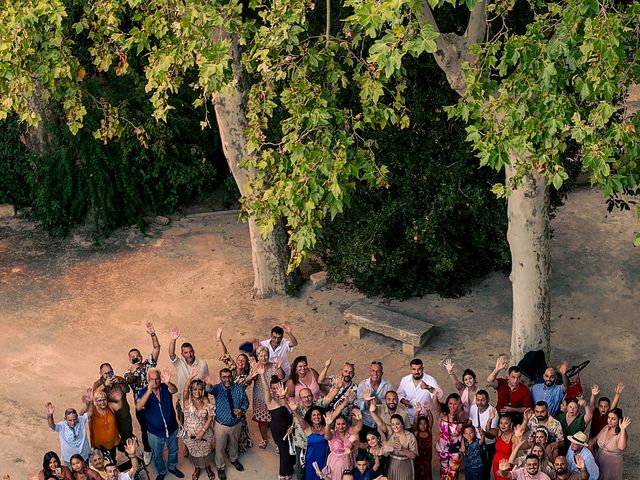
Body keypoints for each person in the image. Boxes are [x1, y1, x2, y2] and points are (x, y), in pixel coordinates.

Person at [135, 367, 183, 480]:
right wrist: (149, 391)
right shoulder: (143, 392)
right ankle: (161, 471)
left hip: (172, 429)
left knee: (174, 451)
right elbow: (139, 406)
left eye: (157, 379)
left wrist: (168, 382)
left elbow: (174, 390)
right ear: (148, 379)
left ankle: (172, 467)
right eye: (152, 379)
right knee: (157, 455)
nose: (155, 382)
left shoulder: (166, 388)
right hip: (155, 433)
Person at [124, 322, 160, 463]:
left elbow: (157, 348)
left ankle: (158, 448)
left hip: (154, 403)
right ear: (129, 359)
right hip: (142, 406)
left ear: (141, 356)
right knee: (145, 429)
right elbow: (128, 381)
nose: (136, 358)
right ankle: (147, 450)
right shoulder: (128, 372)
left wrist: (153, 334)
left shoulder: (148, 364)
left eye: (137, 356)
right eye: (133, 357)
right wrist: (134, 369)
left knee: (156, 426)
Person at [205, 368, 250, 480]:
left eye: (229, 376)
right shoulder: (217, 388)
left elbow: (246, 402)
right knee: (220, 447)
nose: (227, 379)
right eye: (224, 377)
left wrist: (242, 410)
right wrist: (209, 385)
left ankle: (233, 459)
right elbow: (209, 390)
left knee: (234, 444)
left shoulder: (239, 388)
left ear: (232, 377)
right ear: (221, 378)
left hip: (236, 424)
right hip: (221, 425)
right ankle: (220, 467)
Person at [216, 326, 254, 453]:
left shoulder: (245, 377)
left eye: (243, 361)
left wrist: (252, 354)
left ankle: (238, 447)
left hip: (238, 404)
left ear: (247, 364)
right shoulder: (231, 369)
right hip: (224, 403)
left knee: (237, 427)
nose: (240, 362)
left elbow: (252, 375)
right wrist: (219, 339)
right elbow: (225, 354)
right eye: (239, 360)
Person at [257, 365, 297, 480]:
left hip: (290, 428)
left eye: (277, 387)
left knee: (291, 450)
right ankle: (283, 475)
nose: (275, 390)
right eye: (273, 388)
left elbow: (293, 413)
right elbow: (265, 389)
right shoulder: (270, 401)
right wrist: (262, 375)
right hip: (278, 431)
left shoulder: (287, 398)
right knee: (284, 452)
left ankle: (289, 470)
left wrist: (284, 398)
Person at [168, 327, 210, 429]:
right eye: (186, 352)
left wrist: (206, 401)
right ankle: (188, 445)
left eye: (190, 352)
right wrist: (173, 340)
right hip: (183, 402)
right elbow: (171, 354)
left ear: (193, 351)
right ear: (182, 354)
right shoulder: (179, 363)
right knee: (185, 428)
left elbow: (207, 383)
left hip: (199, 402)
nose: (189, 354)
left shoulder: (202, 364)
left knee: (201, 427)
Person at [182, 367, 216, 480]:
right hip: (190, 436)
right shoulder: (187, 401)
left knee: (205, 452)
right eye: (195, 389)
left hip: (205, 434)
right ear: (192, 390)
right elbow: (185, 390)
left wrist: (203, 431)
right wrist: (190, 377)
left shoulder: (206, 400)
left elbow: (210, 417)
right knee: (194, 453)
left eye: (200, 389)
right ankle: (197, 469)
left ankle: (207, 468)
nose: (198, 392)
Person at [46, 390, 93, 465]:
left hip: (84, 456)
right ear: (65, 419)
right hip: (69, 459)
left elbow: (90, 413)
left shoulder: (81, 420)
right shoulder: (62, 426)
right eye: (70, 420)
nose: (73, 422)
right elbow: (52, 425)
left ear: (78, 416)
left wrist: (91, 402)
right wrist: (50, 415)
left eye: (75, 419)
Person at [252, 345, 286, 448]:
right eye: (261, 356)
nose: (264, 358)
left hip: (274, 398)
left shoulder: (273, 366)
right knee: (262, 421)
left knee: (276, 420)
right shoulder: (255, 367)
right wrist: (252, 373)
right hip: (260, 398)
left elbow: (281, 377)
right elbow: (249, 380)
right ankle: (264, 439)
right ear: (258, 357)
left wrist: (279, 366)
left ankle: (278, 442)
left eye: (265, 355)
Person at [92, 363, 133, 448]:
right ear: (100, 373)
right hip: (109, 419)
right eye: (105, 373)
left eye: (110, 372)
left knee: (127, 436)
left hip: (123, 415)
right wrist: (104, 385)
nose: (108, 375)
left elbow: (127, 390)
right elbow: (94, 396)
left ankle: (129, 453)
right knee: (112, 441)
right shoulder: (98, 384)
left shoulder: (118, 379)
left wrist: (120, 382)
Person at [432, 392, 469, 480]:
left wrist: (463, 445)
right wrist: (434, 396)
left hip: (456, 448)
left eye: (455, 404)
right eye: (450, 403)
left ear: (459, 404)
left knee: (453, 471)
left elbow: (464, 432)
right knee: (444, 470)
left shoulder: (462, 416)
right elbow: (436, 405)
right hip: (442, 447)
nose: (452, 406)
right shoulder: (443, 414)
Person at [487, 356, 532, 424]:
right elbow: (490, 380)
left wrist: (512, 409)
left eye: (518, 378)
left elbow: (527, 408)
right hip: (498, 416)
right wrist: (497, 369)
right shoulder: (502, 383)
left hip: (515, 419)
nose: (516, 380)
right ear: (508, 376)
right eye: (513, 377)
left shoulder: (525, 390)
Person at [397, 358, 443, 424]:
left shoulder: (430, 380)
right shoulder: (404, 380)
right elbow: (399, 395)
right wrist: (403, 401)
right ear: (410, 368)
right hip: (409, 416)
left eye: (419, 369)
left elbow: (440, 395)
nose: (416, 372)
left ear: (423, 368)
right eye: (414, 369)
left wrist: (428, 387)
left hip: (425, 418)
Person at [589, 408, 629, 480]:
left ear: (619, 420)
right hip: (597, 460)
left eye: (613, 419)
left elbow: (622, 447)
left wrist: (623, 429)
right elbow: (595, 440)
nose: (609, 421)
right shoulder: (606, 427)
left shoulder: (622, 433)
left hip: (611, 466)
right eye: (608, 417)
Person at [355, 360, 392, 439]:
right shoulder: (363, 384)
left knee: (380, 447)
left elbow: (391, 403)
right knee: (364, 446)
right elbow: (359, 403)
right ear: (370, 372)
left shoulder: (387, 385)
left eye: (378, 371)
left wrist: (379, 401)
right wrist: (366, 401)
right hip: (365, 422)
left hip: (381, 423)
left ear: (382, 373)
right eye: (373, 371)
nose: (375, 374)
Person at [468, 389, 499, 480]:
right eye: (478, 400)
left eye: (483, 400)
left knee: (485, 471)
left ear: (488, 400)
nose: (480, 403)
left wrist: (483, 433)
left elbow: (492, 435)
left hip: (488, 445)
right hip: (475, 443)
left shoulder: (493, 412)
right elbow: (469, 423)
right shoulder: (473, 408)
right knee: (474, 470)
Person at [324, 410, 363, 480]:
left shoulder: (350, 431)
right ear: (335, 425)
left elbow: (358, 428)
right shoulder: (332, 434)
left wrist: (360, 420)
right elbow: (327, 436)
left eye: (343, 424)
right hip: (335, 464)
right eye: (338, 424)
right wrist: (327, 425)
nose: (341, 426)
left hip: (348, 462)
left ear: (347, 424)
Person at [381, 413, 417, 480]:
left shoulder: (410, 436)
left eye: (397, 424)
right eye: (393, 424)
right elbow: (385, 454)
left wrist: (402, 449)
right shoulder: (391, 436)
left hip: (405, 466)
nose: (395, 427)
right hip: (392, 466)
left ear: (402, 424)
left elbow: (413, 456)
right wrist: (385, 450)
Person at [88, 391, 120, 462]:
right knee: (101, 461)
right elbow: (81, 414)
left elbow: (119, 405)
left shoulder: (110, 407)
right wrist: (90, 402)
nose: (102, 402)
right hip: (99, 444)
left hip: (112, 443)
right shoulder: (92, 410)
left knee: (113, 460)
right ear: (95, 402)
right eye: (99, 400)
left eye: (104, 399)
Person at [412, 402, 433, 480]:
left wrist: (428, 410)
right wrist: (417, 412)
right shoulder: (416, 432)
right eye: (420, 424)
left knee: (427, 476)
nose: (423, 426)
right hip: (418, 460)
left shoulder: (429, 432)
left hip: (427, 461)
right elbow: (414, 422)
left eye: (425, 424)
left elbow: (431, 419)